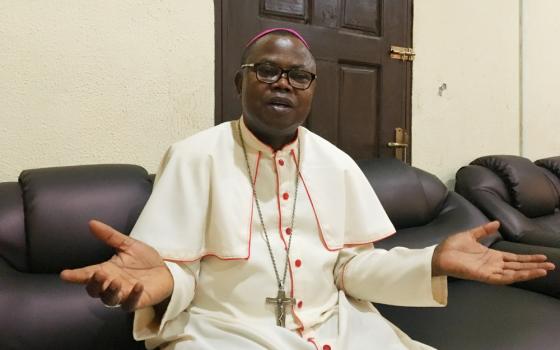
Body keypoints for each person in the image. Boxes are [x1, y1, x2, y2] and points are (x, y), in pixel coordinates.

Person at [61, 28, 554, 350]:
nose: (284, 84)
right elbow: (179, 271)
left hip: (338, 328)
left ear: (312, 90)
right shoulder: (193, 156)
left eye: (299, 76)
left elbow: (352, 269)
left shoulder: (336, 164)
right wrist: (164, 282)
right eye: (268, 71)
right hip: (226, 333)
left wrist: (431, 261)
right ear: (240, 82)